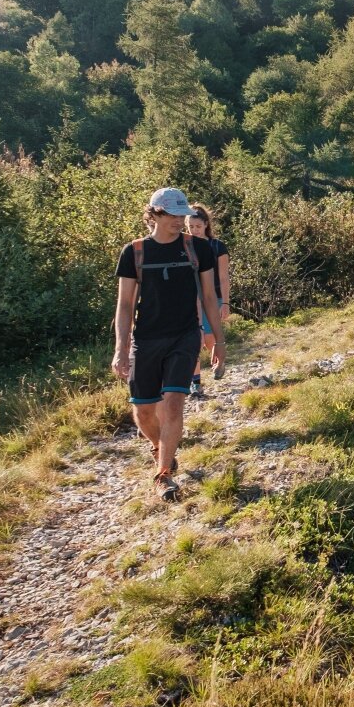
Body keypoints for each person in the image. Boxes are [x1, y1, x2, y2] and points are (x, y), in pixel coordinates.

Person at [111, 187, 226, 492]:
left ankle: (163, 474)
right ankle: (160, 446)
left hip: (184, 336)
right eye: (174, 215)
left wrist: (218, 341)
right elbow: (124, 305)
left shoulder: (196, 250)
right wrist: (120, 349)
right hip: (146, 339)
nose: (180, 221)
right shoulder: (134, 252)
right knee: (144, 411)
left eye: (183, 215)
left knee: (174, 403)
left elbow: (210, 298)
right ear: (155, 215)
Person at [186, 205, 231, 394]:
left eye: (198, 226)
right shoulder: (183, 246)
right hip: (189, 299)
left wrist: (226, 303)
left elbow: (223, 277)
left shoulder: (217, 246)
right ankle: (195, 382)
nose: (194, 230)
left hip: (214, 297)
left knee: (211, 339)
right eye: (190, 226)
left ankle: (219, 363)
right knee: (194, 340)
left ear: (206, 224)